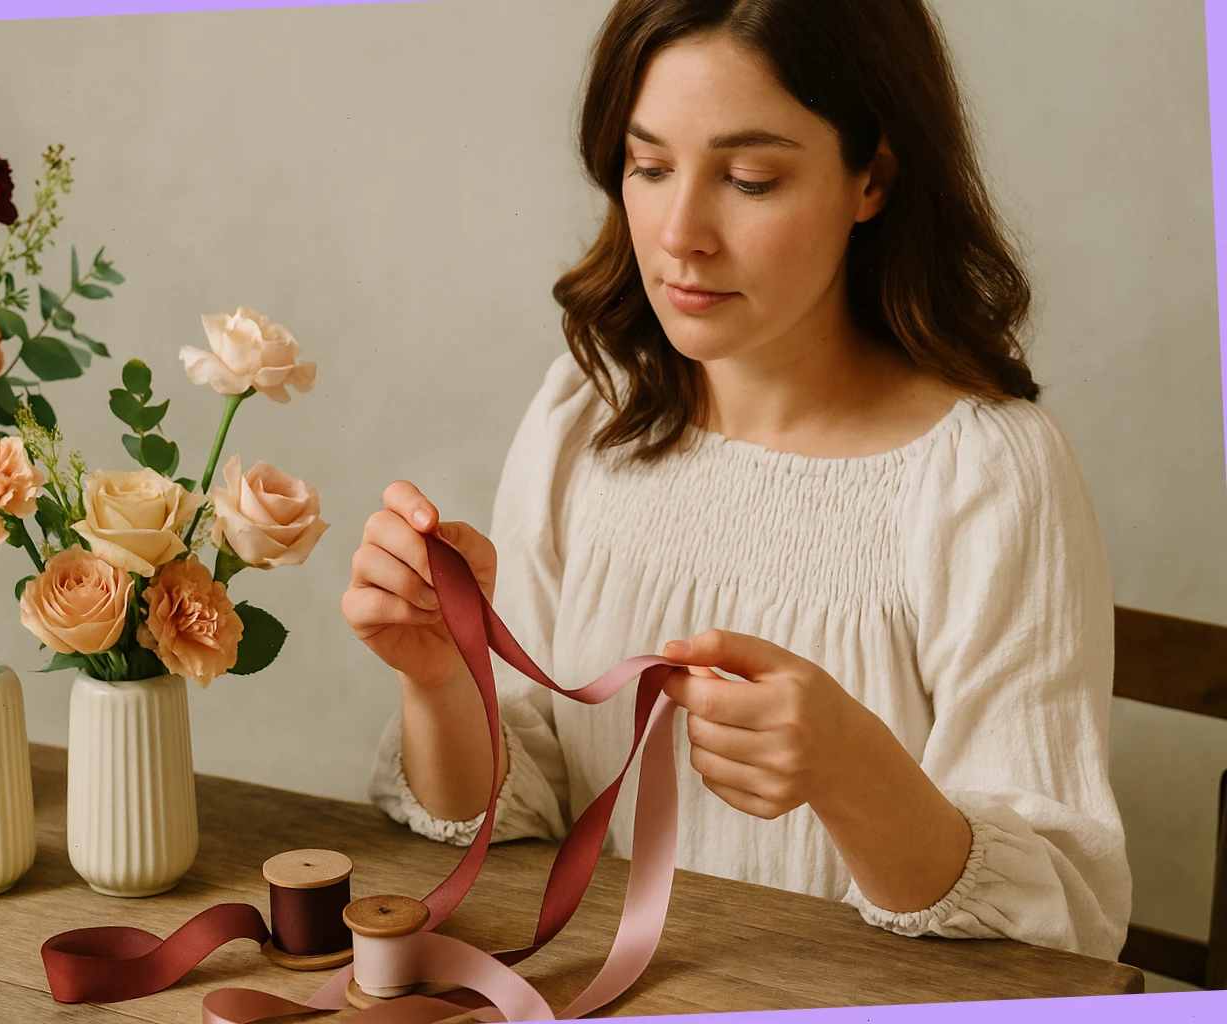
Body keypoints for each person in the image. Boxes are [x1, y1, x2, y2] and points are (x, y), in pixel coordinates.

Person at [341, 0, 1131, 961]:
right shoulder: (583, 415)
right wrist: (439, 678)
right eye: (649, 166)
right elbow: (522, 811)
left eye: (750, 179)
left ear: (871, 177)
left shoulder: (990, 474)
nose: (681, 233)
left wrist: (852, 771)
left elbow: (1067, 926)